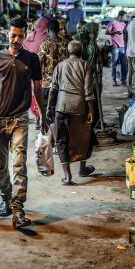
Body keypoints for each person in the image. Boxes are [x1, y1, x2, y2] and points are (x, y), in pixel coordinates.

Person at [0, 17, 47, 229]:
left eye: (20, 36)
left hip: (19, 120)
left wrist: (43, 114)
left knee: (19, 164)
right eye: (13, 35)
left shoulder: (32, 59)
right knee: (1, 165)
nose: (16, 39)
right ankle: (5, 197)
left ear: (26, 36)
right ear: (7, 34)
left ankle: (18, 208)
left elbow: (38, 89)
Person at [47, 41, 97, 185]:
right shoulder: (84, 65)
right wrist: (91, 110)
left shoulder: (60, 66)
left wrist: (50, 107)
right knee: (84, 138)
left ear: (68, 52)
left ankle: (67, 176)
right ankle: (82, 169)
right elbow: (89, 92)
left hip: (61, 107)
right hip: (79, 107)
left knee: (61, 140)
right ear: (81, 52)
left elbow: (53, 89)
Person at [37, 19, 69, 130]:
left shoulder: (45, 44)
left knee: (48, 110)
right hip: (63, 83)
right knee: (60, 111)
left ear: (47, 30)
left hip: (48, 83)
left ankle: (50, 136)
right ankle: (59, 134)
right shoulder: (66, 43)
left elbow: (38, 62)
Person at [106, 11, 127, 86]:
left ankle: (123, 80)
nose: (125, 18)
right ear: (120, 16)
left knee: (123, 64)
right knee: (114, 63)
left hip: (123, 46)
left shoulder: (124, 24)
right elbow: (107, 32)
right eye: (124, 16)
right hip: (115, 46)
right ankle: (114, 80)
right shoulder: (113, 22)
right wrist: (115, 32)